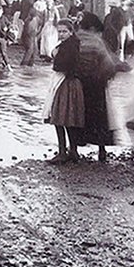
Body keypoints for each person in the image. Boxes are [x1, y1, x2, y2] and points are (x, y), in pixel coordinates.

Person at [71, 13, 116, 162]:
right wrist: (105, 78)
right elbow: (108, 64)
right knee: (99, 116)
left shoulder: (73, 39)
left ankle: (74, 149)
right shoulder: (97, 42)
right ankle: (101, 149)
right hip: (96, 84)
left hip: (77, 83)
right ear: (92, 28)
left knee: (76, 114)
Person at [43, 18, 83, 163]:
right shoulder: (70, 44)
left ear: (71, 32)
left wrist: (55, 55)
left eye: (64, 31)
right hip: (68, 82)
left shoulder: (69, 46)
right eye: (59, 31)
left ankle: (62, 152)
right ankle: (72, 151)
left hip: (66, 82)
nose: (61, 34)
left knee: (59, 117)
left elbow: (62, 65)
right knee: (68, 118)